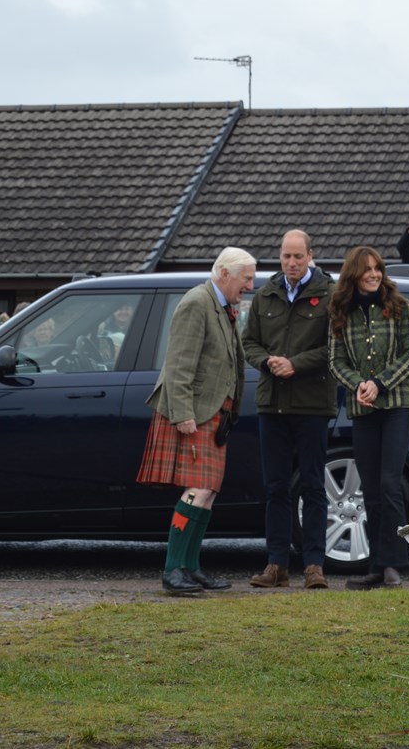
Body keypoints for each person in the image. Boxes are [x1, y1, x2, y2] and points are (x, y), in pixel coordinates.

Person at [135, 246, 256, 595]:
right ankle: (173, 570)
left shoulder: (221, 304)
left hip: (215, 412)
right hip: (195, 412)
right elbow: (178, 363)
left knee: (208, 494)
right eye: (245, 279)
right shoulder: (196, 303)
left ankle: (191, 567)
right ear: (225, 274)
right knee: (198, 490)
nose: (248, 285)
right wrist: (183, 412)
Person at [244, 230, 336, 591]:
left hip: (313, 403)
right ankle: (276, 565)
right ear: (279, 258)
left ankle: (314, 566)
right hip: (272, 403)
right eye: (286, 257)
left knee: (313, 486)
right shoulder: (266, 294)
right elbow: (248, 341)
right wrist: (267, 362)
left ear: (310, 256)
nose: (292, 263)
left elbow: (335, 347)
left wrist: (296, 363)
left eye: (298, 257)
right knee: (276, 487)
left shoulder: (329, 295)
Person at [328, 246, 409, 590]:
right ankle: (375, 565)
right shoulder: (340, 313)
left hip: (397, 404)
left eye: (377, 268)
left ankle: (394, 564)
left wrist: (379, 383)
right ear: (353, 275)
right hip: (363, 408)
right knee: (369, 488)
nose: (373, 274)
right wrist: (358, 385)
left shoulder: (401, 307)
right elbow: (336, 362)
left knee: (389, 484)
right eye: (366, 269)